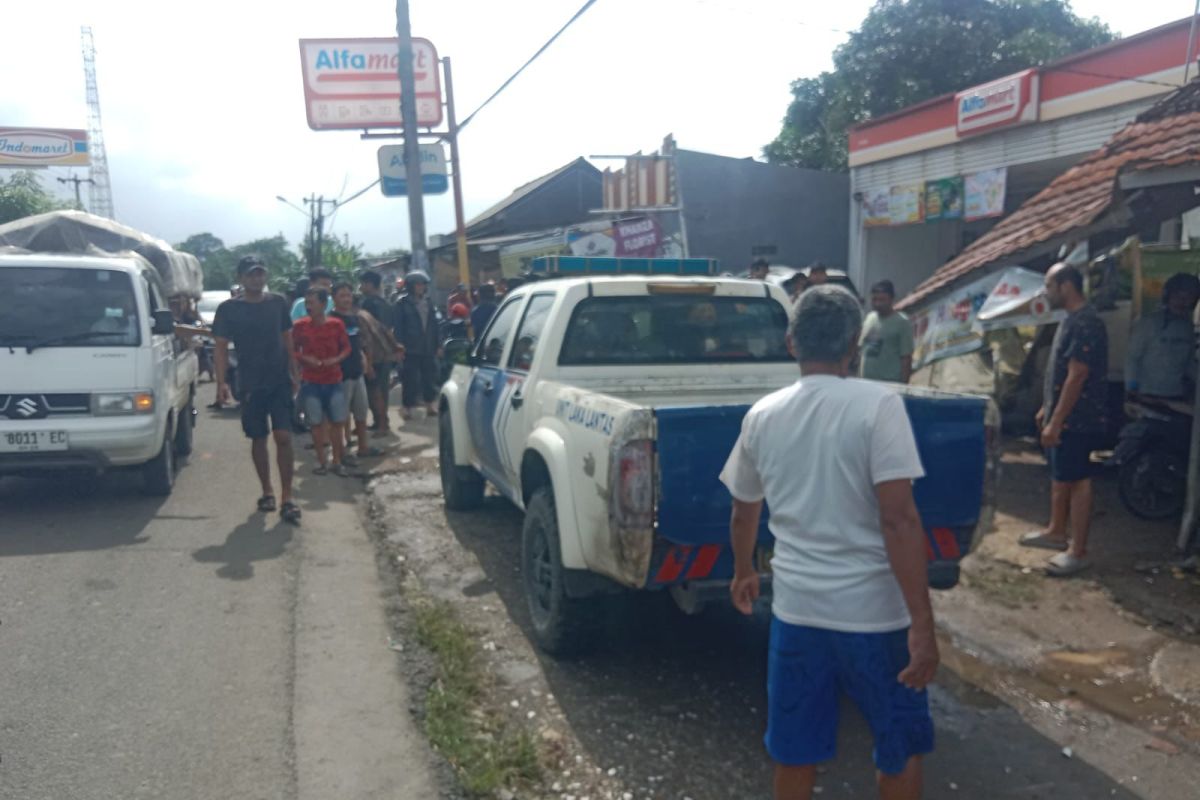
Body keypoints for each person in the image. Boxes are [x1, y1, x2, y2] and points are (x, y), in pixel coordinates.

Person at [720, 285, 937, 800]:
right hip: (876, 619)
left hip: (798, 617)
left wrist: (743, 570)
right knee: (898, 746)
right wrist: (923, 625)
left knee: (796, 753)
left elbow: (743, 509)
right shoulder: (877, 405)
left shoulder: (763, 414)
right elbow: (900, 521)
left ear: (792, 342)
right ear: (854, 348)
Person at [1020, 263, 1109, 577]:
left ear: (1066, 286)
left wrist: (1056, 420)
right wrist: (1048, 407)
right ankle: (1056, 531)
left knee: (1078, 480)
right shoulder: (1072, 319)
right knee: (1061, 476)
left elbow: (1077, 375)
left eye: (1049, 285)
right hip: (1065, 415)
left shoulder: (1086, 322)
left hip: (1077, 419)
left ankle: (1078, 550)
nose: (1046, 291)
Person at [212, 256, 302, 524]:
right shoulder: (229, 309)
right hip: (250, 382)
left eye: (261, 274)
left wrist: (294, 370)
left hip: (279, 379)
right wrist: (221, 383)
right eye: (251, 275)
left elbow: (287, 337)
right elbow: (219, 346)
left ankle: (288, 497)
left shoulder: (277, 303)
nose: (257, 279)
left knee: (283, 436)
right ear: (241, 278)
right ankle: (267, 491)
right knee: (258, 437)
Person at [292, 288, 352, 476]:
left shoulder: (336, 325)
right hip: (311, 381)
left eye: (312, 303)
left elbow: (346, 349)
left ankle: (336, 460)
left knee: (338, 422)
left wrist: (335, 360)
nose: (308, 307)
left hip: (334, 380)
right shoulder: (300, 326)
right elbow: (292, 350)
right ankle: (321, 461)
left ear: (324, 304)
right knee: (316, 424)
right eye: (307, 303)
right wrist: (305, 359)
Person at [331, 283, 384, 464]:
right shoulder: (331, 321)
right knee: (340, 417)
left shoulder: (354, 318)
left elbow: (362, 345)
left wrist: (367, 365)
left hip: (357, 373)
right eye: (342, 296)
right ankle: (342, 453)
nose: (346, 299)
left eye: (348, 295)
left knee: (361, 413)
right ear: (334, 299)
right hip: (340, 375)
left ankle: (363, 447)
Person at [1126, 272, 1199, 400]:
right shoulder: (1148, 323)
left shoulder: (1187, 328)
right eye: (1178, 297)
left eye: (1188, 298)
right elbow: (1133, 358)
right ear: (1168, 296)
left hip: (1176, 394)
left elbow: (1189, 364)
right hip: (1146, 394)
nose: (1182, 302)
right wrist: (1132, 387)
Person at [392, 270, 441, 420]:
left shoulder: (429, 302)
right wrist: (398, 346)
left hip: (428, 347)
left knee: (429, 377)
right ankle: (407, 407)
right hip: (410, 347)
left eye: (423, 285)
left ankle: (430, 404)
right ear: (411, 286)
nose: (421, 287)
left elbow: (435, 325)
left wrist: (438, 344)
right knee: (409, 379)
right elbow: (398, 327)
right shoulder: (401, 303)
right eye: (418, 284)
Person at [358, 270, 400, 433]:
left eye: (362, 283)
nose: (361, 287)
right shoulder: (386, 304)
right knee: (380, 389)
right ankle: (379, 421)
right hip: (385, 351)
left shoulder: (368, 304)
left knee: (375, 391)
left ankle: (382, 423)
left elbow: (370, 332)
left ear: (369, 284)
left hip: (373, 353)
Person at [859, 280, 915, 384]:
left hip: (889, 384)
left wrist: (904, 386)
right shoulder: (870, 318)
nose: (878, 303)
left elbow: (906, 357)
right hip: (866, 383)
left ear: (892, 299)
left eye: (882, 300)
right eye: (874, 299)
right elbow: (861, 349)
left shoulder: (902, 322)